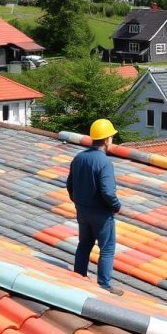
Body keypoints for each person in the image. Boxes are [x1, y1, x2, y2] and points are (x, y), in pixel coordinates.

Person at [67, 118, 123, 296]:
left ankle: (78, 277)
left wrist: (77, 202)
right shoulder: (104, 162)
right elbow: (107, 191)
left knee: (84, 244)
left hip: (82, 211)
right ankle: (104, 286)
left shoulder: (79, 158)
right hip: (101, 214)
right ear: (106, 140)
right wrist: (116, 206)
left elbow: (70, 185)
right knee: (106, 247)